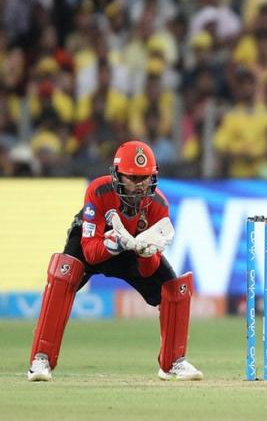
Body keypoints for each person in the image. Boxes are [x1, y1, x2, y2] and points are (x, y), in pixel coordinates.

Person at [27, 141, 203, 382]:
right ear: (117, 175)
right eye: (132, 178)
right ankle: (41, 359)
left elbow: (147, 271)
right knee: (63, 274)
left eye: (145, 178)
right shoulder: (99, 190)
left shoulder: (159, 205)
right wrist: (115, 243)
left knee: (174, 289)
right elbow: (90, 253)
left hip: (132, 251)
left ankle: (173, 362)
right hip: (96, 242)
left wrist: (145, 253)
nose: (140, 185)